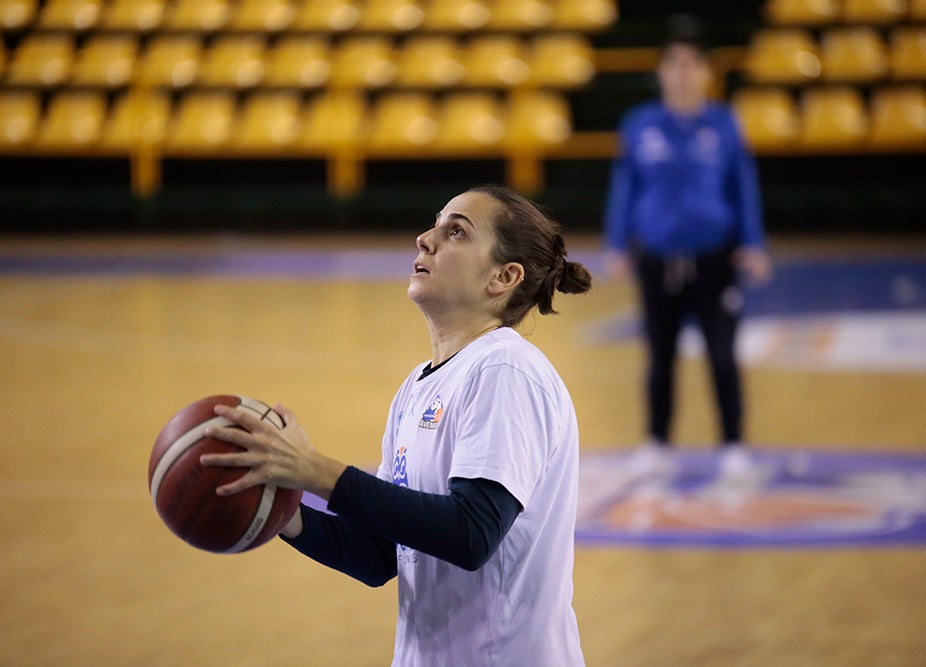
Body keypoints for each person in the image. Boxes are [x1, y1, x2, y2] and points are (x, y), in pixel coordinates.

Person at [200, 185, 591, 666]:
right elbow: (380, 555)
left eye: (456, 232)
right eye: (435, 224)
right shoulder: (416, 388)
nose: (425, 239)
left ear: (503, 276)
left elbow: (471, 535)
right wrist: (278, 509)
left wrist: (313, 470)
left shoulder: (505, 369)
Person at [602, 25, 772, 477]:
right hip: (655, 259)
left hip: (715, 258)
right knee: (659, 355)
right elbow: (625, 186)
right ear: (661, 73)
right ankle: (658, 442)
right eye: (673, 64)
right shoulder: (639, 125)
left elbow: (743, 186)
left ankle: (733, 444)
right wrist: (617, 243)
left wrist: (753, 243)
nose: (681, 74)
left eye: (691, 64)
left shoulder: (724, 123)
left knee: (721, 352)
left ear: (705, 72)